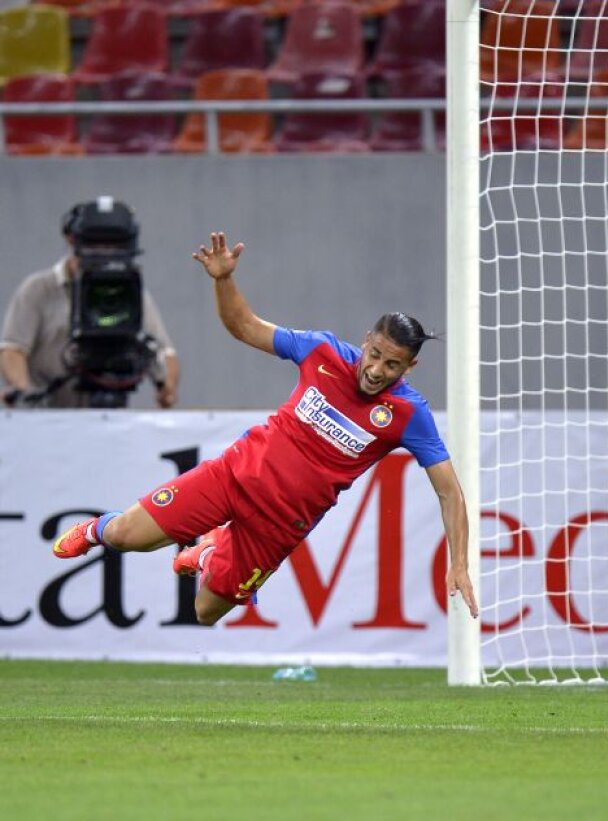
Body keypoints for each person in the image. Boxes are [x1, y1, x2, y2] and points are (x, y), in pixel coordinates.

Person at [50, 232, 479, 626]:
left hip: (280, 525)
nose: (376, 370)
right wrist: (223, 281)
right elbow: (245, 327)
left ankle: (213, 551)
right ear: (367, 340)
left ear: (410, 366)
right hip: (235, 477)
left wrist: (458, 561)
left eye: (392, 365)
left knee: (205, 612)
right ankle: (93, 530)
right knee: (127, 537)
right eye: (375, 355)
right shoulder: (321, 350)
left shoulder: (408, 413)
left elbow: (449, 490)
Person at [1, 198, 181, 408]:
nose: (104, 251)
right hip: (48, 416)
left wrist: (167, 386)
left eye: (113, 245)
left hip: (111, 417)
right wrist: (24, 392)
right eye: (96, 244)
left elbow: (163, 351)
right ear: (72, 240)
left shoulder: (131, 292)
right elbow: (13, 349)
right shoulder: (38, 289)